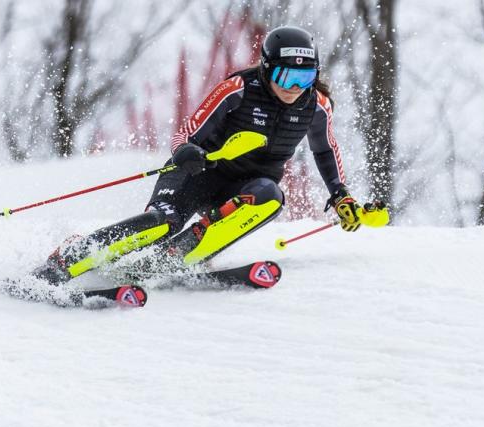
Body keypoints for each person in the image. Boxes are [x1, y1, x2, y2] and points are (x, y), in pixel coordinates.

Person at [35, 25, 372, 285]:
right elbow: (186, 131)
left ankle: (182, 254)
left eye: (306, 77)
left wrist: (340, 195)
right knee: (162, 224)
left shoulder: (317, 106)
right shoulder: (238, 89)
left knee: (271, 197)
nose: (295, 87)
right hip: (196, 174)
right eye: (286, 75)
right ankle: (72, 256)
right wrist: (186, 151)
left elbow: (325, 149)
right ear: (267, 69)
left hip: (241, 189)